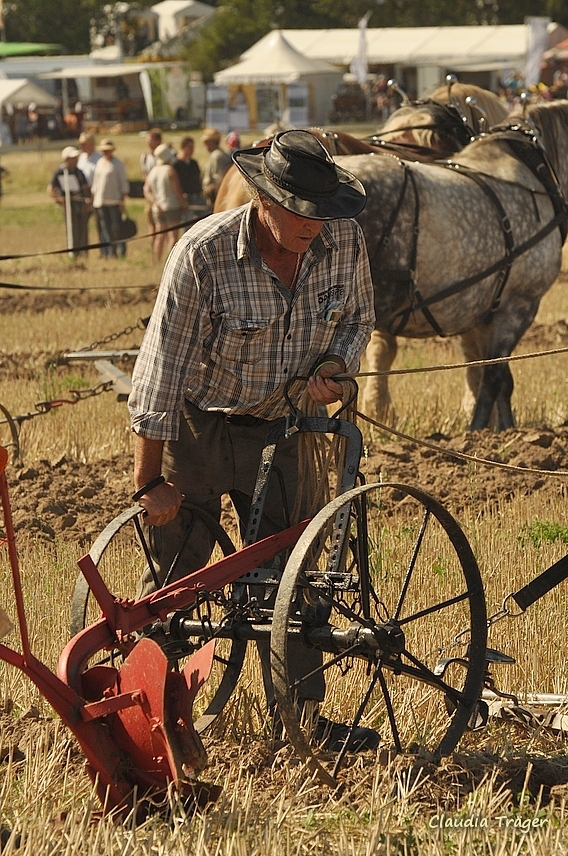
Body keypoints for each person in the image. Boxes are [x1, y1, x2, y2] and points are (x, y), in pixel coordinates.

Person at [128, 130, 379, 751]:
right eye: (300, 212)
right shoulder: (204, 255)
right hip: (199, 427)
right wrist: (149, 482)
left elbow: (358, 318)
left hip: (283, 425)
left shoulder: (341, 238)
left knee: (291, 579)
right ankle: (162, 722)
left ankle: (303, 726)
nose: (313, 226)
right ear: (264, 199)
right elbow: (160, 369)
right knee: (176, 585)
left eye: (322, 213)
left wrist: (338, 366)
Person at [143, 143, 187, 261]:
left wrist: (155, 202)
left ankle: (157, 259)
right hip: (172, 206)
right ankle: (171, 260)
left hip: (157, 208)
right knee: (173, 236)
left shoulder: (153, 171)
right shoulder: (170, 170)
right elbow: (177, 191)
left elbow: (147, 190)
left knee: (159, 235)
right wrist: (184, 203)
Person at [47, 146, 92, 257]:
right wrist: (60, 200)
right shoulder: (60, 172)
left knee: (83, 230)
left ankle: (83, 253)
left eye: (76, 157)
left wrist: (88, 201)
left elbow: (86, 187)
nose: (75, 160)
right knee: (73, 230)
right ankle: (74, 253)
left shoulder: (79, 172)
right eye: (72, 158)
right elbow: (50, 189)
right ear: (66, 159)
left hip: (81, 205)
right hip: (69, 206)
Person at [91, 138, 129, 258]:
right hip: (100, 201)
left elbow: (123, 183)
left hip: (114, 200)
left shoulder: (118, 164)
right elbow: (96, 182)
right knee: (105, 227)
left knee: (116, 227)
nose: (106, 152)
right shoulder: (100, 163)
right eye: (104, 150)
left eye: (108, 150)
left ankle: (121, 249)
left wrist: (122, 200)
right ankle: (110, 251)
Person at [172, 135, 207, 226]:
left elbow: (199, 178)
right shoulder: (176, 164)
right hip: (187, 198)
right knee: (188, 225)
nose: (192, 150)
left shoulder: (193, 163)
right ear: (183, 147)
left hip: (198, 196)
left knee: (205, 220)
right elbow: (176, 184)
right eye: (190, 147)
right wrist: (182, 201)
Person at [201, 127, 232, 208]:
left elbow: (219, 180)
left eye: (206, 142)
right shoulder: (219, 154)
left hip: (215, 198)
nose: (204, 144)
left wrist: (209, 189)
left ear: (212, 142)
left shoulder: (216, 156)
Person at [140, 127, 162, 242]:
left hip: (162, 194)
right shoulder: (145, 157)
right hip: (150, 195)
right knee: (151, 225)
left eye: (151, 140)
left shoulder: (164, 156)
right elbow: (145, 175)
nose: (148, 142)